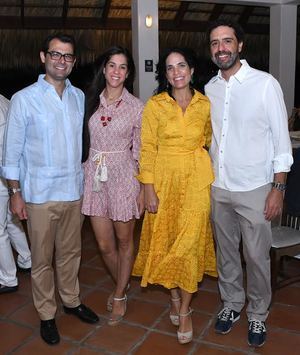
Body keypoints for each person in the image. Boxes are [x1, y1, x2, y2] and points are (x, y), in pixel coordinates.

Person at [1, 33, 99, 345]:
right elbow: (11, 151)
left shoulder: (78, 97)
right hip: (39, 195)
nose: (61, 61)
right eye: (55, 54)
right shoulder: (23, 99)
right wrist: (15, 193)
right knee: (41, 259)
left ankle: (71, 301)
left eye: (68, 56)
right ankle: (46, 313)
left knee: (71, 253)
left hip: (73, 190)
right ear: (44, 57)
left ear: (74, 62)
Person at [205, 19, 293, 348]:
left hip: (256, 188)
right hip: (219, 186)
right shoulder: (210, 88)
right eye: (215, 43)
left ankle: (257, 311)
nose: (221, 48)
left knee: (256, 256)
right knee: (226, 253)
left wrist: (278, 188)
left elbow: (282, 142)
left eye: (227, 41)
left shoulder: (265, 84)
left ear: (240, 45)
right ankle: (231, 304)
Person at [132, 47, 217, 344]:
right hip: (164, 181)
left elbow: (207, 139)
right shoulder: (155, 106)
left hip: (196, 180)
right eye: (170, 68)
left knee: (190, 243)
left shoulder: (205, 104)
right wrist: (148, 188)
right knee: (168, 240)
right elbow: (147, 148)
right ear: (165, 75)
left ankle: (184, 310)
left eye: (182, 65)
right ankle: (173, 295)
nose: (176, 72)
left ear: (192, 70)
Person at [82, 46, 144, 326]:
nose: (116, 71)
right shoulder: (89, 101)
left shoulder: (136, 107)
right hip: (94, 177)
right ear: (104, 69)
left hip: (124, 178)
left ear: (128, 73)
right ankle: (124, 281)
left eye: (122, 67)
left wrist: (143, 188)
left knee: (123, 240)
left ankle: (119, 292)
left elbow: (142, 150)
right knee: (105, 244)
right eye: (111, 65)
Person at [0, 94, 31, 294]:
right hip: (10, 173)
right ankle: (26, 259)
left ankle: (7, 277)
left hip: (4, 173)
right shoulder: (4, 100)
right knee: (11, 221)